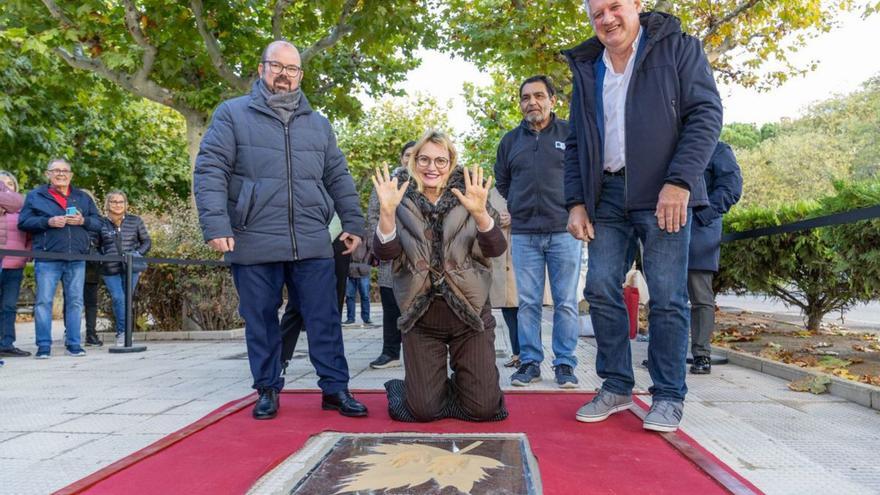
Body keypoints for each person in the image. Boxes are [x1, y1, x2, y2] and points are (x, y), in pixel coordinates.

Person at [563, 0, 722, 432]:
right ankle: (616, 384)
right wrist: (575, 201)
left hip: (663, 191)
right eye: (597, 13)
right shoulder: (587, 66)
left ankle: (669, 395)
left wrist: (681, 182)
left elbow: (706, 115)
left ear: (637, 5)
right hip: (606, 194)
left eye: (615, 6)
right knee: (598, 286)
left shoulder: (678, 47)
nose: (607, 19)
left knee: (668, 296)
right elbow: (576, 139)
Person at [194, 40, 368, 420]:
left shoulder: (319, 125)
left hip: (310, 238)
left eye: (292, 69)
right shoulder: (232, 115)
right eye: (277, 66)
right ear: (261, 69)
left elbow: (337, 175)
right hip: (253, 237)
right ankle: (268, 388)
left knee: (324, 318)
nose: (285, 75)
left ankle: (335, 388)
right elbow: (210, 171)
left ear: (300, 76)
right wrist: (216, 224)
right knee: (261, 318)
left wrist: (353, 222)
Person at [374, 129, 508, 423]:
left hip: (470, 315)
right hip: (421, 318)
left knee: (484, 409)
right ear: (413, 162)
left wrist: (480, 213)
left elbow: (496, 247)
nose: (431, 167)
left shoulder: (471, 193)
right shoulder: (397, 197)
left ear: (451, 163)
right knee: (422, 411)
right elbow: (384, 254)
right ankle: (420, 390)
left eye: (440, 160)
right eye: (424, 159)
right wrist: (386, 213)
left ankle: (463, 387)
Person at [494, 75, 581, 388]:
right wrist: (518, 205)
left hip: (564, 232)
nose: (532, 102)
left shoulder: (571, 134)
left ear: (552, 100)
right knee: (527, 302)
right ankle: (529, 362)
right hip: (524, 234)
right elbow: (503, 182)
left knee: (566, 302)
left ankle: (565, 365)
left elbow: (583, 174)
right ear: (520, 104)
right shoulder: (509, 142)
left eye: (539, 96)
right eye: (526, 97)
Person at [19, 158, 102, 359]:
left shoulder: (82, 197)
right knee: (43, 302)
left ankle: (74, 344)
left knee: (75, 301)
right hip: (48, 257)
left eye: (65, 171)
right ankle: (44, 346)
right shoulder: (35, 196)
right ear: (48, 174)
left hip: (76, 258)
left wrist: (83, 220)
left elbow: (99, 223)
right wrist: (47, 221)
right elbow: (23, 222)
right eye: (56, 170)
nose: (61, 174)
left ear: (71, 175)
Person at [688, 142, 742, 374]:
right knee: (666, 297)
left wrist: (701, 215)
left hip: (701, 231)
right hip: (666, 229)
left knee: (700, 297)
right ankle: (667, 352)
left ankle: (701, 355)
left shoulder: (718, 149)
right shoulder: (669, 144)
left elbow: (731, 188)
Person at [364, 141, 415, 369]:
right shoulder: (388, 183)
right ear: (401, 158)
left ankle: (422, 351)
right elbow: (374, 214)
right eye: (407, 155)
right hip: (390, 250)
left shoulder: (431, 181)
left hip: (419, 254)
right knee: (390, 303)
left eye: (416, 155)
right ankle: (390, 352)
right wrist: (380, 240)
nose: (410, 159)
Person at [280, 214, 351, 375]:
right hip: (309, 239)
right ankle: (281, 356)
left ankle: (332, 359)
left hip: (339, 239)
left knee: (335, 302)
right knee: (297, 302)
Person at [97, 191, 151, 347]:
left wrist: (137, 253)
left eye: (121, 202)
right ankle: (123, 333)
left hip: (131, 267)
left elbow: (146, 241)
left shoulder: (135, 221)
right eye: (114, 202)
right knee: (118, 298)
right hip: (109, 268)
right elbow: (95, 244)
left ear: (126, 204)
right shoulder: (101, 223)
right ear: (107, 204)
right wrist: (102, 259)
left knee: (126, 299)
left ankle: (124, 332)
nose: (117, 205)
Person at [488, 187, 520, 368]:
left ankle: (529, 354)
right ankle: (517, 353)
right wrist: (495, 220)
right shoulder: (492, 192)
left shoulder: (525, 185)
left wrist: (515, 219)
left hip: (522, 254)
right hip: (500, 257)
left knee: (526, 308)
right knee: (508, 308)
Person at [0, 172, 30, 358]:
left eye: (9, 183)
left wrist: (26, 255)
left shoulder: (21, 207)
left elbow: (29, 235)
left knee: (9, 306)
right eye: (2, 183)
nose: (6, 186)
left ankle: (6, 343)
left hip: (15, 263)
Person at [342, 233, 373, 326]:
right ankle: (350, 318)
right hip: (350, 269)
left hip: (363, 269)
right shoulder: (346, 235)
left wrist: (366, 263)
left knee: (365, 295)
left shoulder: (365, 234)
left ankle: (366, 318)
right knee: (350, 296)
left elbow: (370, 249)